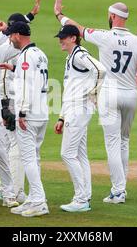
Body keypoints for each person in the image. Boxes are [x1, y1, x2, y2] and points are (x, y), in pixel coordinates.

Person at [54, 0, 137, 204]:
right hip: (130, 95)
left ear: (112, 16)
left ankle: (118, 191)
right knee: (124, 141)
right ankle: (121, 188)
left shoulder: (104, 36)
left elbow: (78, 29)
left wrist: (59, 15)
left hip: (109, 94)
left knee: (112, 143)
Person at [0, 21, 49, 217]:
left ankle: (38, 201)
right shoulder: (40, 54)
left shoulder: (26, 55)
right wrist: (13, 68)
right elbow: (34, 78)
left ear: (18, 35)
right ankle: (33, 198)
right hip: (41, 112)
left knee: (27, 159)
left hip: (28, 114)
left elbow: (28, 86)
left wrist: (21, 113)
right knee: (34, 158)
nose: (10, 39)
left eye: (11, 35)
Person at [53, 25, 106, 212]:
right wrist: (61, 117)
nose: (60, 40)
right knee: (80, 154)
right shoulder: (71, 57)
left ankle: (81, 199)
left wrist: (94, 93)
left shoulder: (78, 55)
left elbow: (101, 70)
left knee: (67, 154)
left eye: (64, 37)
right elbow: (70, 88)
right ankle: (86, 194)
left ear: (73, 38)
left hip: (79, 109)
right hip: (74, 109)